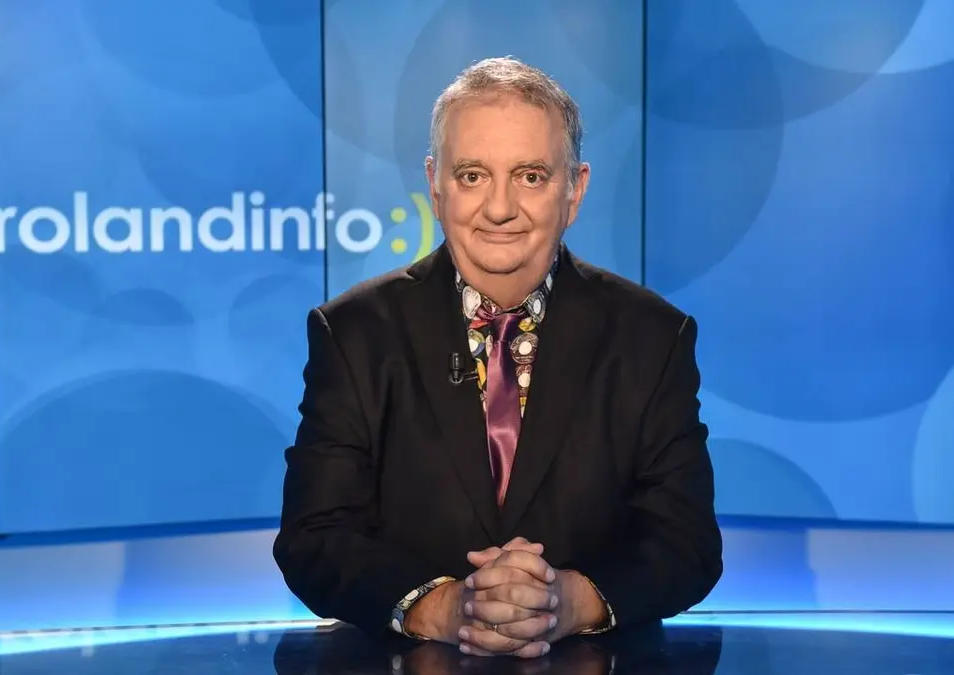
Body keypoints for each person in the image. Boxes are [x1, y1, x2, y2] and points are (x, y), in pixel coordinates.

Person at [273, 56, 723, 660]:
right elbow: (314, 537)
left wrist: (571, 602)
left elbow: (687, 543)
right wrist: (444, 608)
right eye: (472, 176)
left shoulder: (652, 337)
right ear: (435, 185)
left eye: (531, 176)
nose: (500, 207)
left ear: (575, 190)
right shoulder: (354, 333)